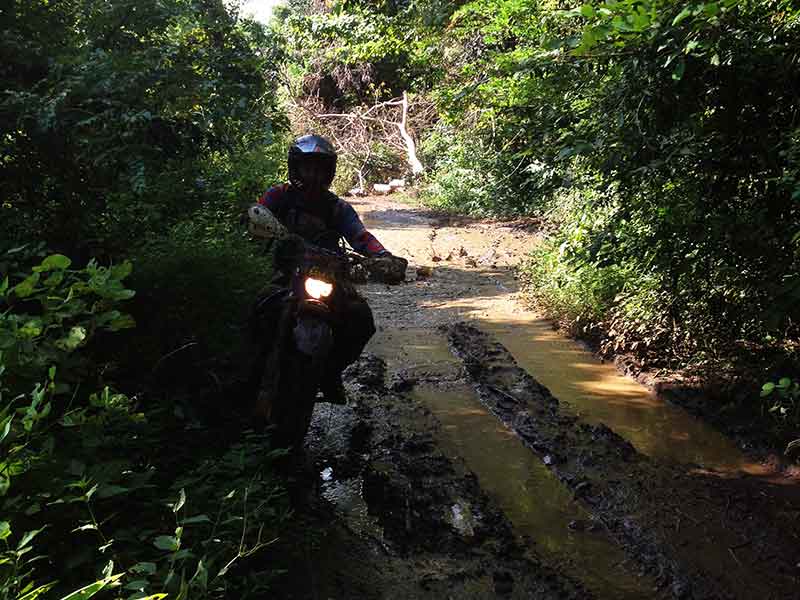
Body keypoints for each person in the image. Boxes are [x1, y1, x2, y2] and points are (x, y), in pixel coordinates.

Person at [251, 134, 393, 405]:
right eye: (308, 168)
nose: (313, 175)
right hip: (284, 272)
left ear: (329, 172)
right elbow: (258, 214)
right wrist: (256, 225)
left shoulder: (337, 208)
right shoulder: (279, 196)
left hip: (330, 277)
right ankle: (248, 366)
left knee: (361, 319)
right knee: (259, 305)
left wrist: (383, 256)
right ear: (296, 168)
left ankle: (330, 373)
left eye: (319, 169)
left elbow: (360, 236)